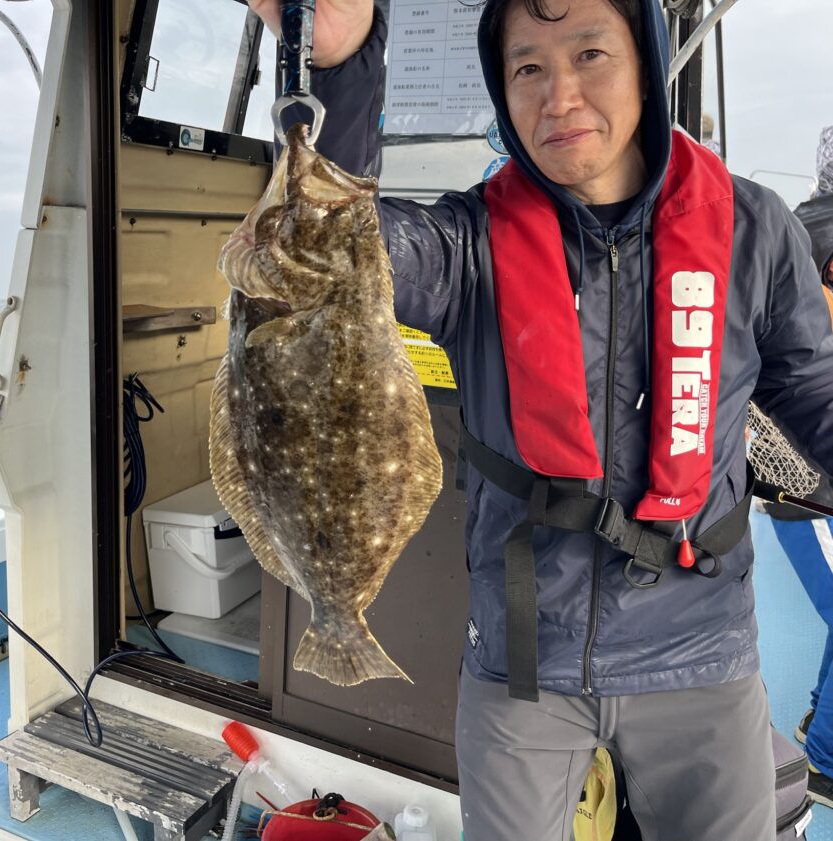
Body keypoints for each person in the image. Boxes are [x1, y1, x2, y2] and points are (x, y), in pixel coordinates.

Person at [249, 1, 833, 838]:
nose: (558, 96)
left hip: (702, 646)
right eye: (528, 68)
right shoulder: (467, 243)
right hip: (522, 653)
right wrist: (339, 64)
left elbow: (815, 392)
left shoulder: (753, 228)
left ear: (646, 66)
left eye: (589, 54)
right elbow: (331, 245)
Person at [767, 126, 833, 806]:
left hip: (797, 464)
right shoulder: (819, 233)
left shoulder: (790, 224)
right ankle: (825, 761)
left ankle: (821, 719)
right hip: (809, 479)